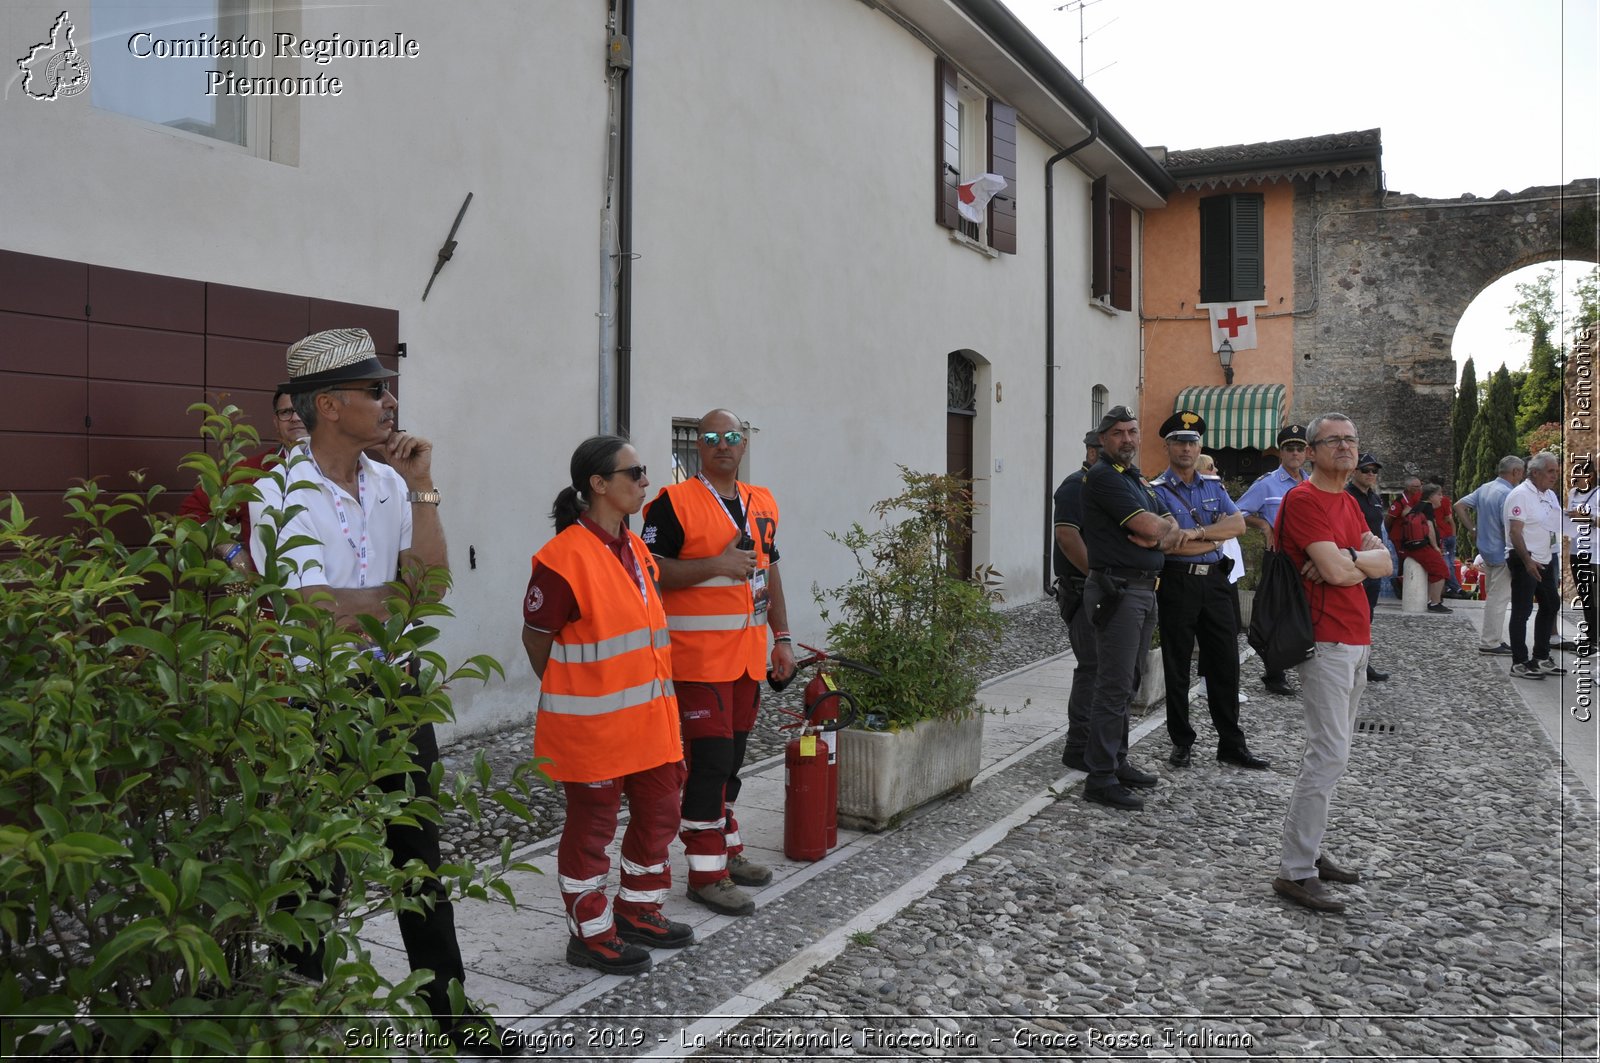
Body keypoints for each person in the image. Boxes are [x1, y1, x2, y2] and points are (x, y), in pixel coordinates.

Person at [248, 328, 506, 1051]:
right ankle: (309, 1018)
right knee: (314, 871)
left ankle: (451, 1017)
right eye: (372, 389)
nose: (388, 400)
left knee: (419, 862)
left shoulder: (395, 482)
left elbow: (429, 590)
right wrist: (386, 597)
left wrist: (424, 486)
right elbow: (309, 608)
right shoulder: (278, 490)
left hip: (396, 693)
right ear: (329, 405)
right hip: (319, 700)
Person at [522, 435, 690, 975]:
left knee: (661, 813)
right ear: (598, 484)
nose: (646, 481)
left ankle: (639, 911)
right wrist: (575, 686)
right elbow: (536, 639)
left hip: (650, 724)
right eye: (635, 472)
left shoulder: (636, 547)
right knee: (591, 832)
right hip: (592, 729)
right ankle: (590, 933)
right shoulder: (561, 559)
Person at [640, 409, 795, 916]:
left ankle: (725, 850)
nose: (722, 444)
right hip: (696, 661)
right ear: (698, 446)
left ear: (744, 445)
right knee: (708, 765)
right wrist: (716, 564)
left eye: (732, 437)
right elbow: (650, 571)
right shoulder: (672, 503)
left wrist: (783, 638)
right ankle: (705, 874)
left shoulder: (761, 501)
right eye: (710, 437)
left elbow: (769, 573)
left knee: (731, 765)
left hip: (747, 661)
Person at [1270, 412, 1391, 914]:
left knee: (1330, 754)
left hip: (1357, 638)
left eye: (1351, 439)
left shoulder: (1349, 502)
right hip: (1324, 641)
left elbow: (1380, 564)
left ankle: (1311, 851)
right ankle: (1295, 871)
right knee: (1329, 753)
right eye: (1333, 441)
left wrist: (1346, 560)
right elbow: (1343, 572)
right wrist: (1348, 562)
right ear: (1312, 451)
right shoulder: (1303, 501)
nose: (1345, 447)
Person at [1078, 405, 1191, 810]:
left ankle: (1117, 761)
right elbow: (1151, 527)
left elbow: (1168, 524)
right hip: (1119, 591)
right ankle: (1101, 777)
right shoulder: (1105, 478)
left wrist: (1158, 535)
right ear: (1103, 439)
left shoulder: (1135, 478)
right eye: (1117, 433)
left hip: (1143, 589)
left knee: (1128, 683)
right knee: (1112, 685)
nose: (1126, 438)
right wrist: (1155, 533)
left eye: (1132, 431)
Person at [1149, 412, 1269, 771]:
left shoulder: (1213, 487)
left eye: (1192, 442)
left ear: (1200, 446)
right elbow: (1167, 544)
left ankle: (1231, 744)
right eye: (1178, 441)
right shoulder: (1156, 492)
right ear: (1168, 446)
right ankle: (1181, 742)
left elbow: (1236, 525)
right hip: (1177, 582)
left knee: (1225, 664)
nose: (1186, 448)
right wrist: (1209, 536)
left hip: (1216, 582)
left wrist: (1199, 535)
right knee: (1177, 663)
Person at [178, 388, 307, 574]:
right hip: (269, 597)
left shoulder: (352, 470)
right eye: (286, 412)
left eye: (303, 409)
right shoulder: (252, 471)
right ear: (276, 422)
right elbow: (189, 514)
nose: (295, 418)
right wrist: (232, 551)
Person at [1237, 424, 1311, 695]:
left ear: (1307, 453)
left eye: (1299, 448)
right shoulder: (1267, 484)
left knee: (1306, 613)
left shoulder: (1310, 484)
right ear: (1281, 452)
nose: (1294, 453)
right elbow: (1237, 512)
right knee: (1275, 616)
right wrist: (1264, 526)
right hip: (1279, 559)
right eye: (1289, 448)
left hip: (1308, 558)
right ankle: (1274, 673)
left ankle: (1306, 664)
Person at [1053, 428, 1101, 770]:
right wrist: (1099, 577)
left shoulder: (1107, 484)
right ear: (1093, 452)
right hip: (1085, 590)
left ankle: (1098, 742)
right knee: (1092, 667)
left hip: (1103, 588)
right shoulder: (1076, 486)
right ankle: (1078, 745)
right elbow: (1068, 538)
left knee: (1107, 670)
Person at [1453, 456, 1526, 655]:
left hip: (1486, 549)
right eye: (1521, 472)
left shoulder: (1485, 488)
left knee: (1494, 597)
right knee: (1498, 598)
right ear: (1516, 472)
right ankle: (1490, 641)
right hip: (1502, 551)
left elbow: (1459, 505)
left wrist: (1472, 528)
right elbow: (1510, 526)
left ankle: (1493, 638)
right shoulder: (1508, 494)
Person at [1504, 451, 1566, 681]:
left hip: (1545, 556)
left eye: (1557, 472)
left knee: (1551, 604)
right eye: (1551, 471)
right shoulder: (1520, 495)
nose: (1555, 476)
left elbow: (1556, 519)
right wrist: (1528, 561)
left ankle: (1541, 656)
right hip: (1525, 558)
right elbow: (1515, 531)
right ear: (1535, 472)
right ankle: (1519, 662)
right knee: (1522, 610)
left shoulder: (1549, 495)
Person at [1344, 454, 1391, 681]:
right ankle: (1348, 661)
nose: (1371, 474)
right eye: (1366, 470)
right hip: (1355, 560)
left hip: (1371, 562)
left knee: (1367, 615)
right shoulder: (1346, 496)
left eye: (1374, 471)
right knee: (1351, 614)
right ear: (1354, 472)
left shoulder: (1374, 498)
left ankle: (1364, 661)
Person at [1395, 483, 1453, 613]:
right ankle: (1435, 603)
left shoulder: (1417, 506)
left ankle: (1427, 600)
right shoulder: (1427, 507)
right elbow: (1430, 527)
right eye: (1439, 494)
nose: (1441, 498)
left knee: (1433, 571)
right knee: (1441, 571)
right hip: (1423, 547)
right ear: (1431, 496)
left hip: (1412, 546)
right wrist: (1435, 547)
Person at [1566, 466, 1597, 657]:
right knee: (1585, 596)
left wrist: (1588, 517)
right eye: (1573, 476)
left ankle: (1594, 639)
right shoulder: (1572, 493)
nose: (1574, 480)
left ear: (1590, 476)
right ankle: (1590, 637)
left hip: (1594, 551)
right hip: (1576, 549)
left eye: (1578, 476)